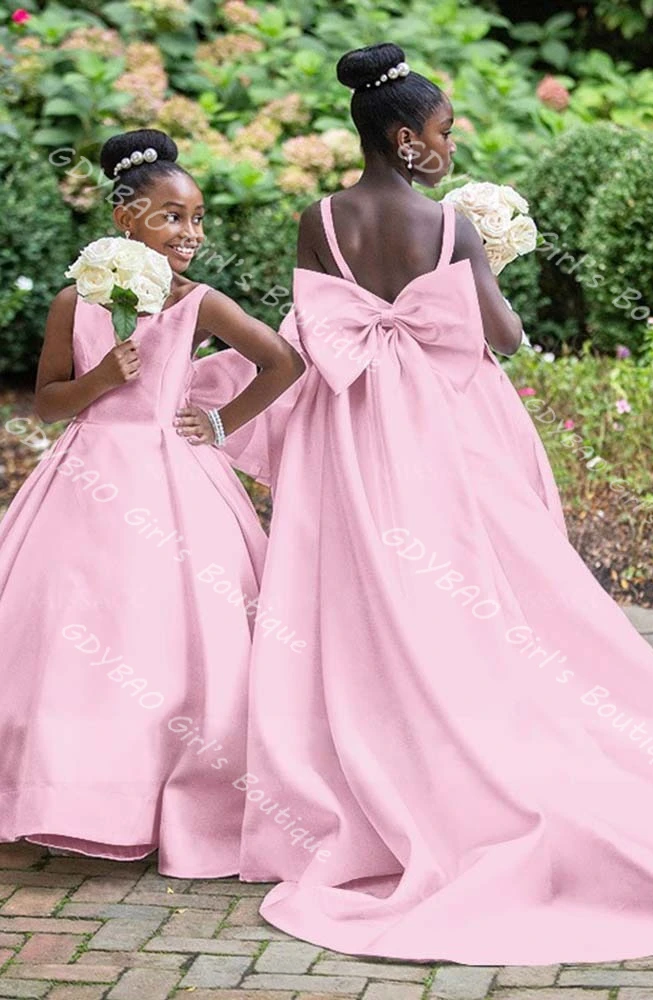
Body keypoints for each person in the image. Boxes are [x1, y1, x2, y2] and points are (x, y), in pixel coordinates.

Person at [236, 43, 653, 965]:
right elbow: (502, 338)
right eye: (442, 131)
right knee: (463, 567)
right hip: (434, 427)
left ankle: (362, 747)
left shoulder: (318, 217)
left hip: (347, 426)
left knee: (354, 578)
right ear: (406, 138)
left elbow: (315, 317)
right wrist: (486, 264)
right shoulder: (447, 226)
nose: (450, 143)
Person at [0, 128, 305, 878]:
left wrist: (225, 421)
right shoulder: (76, 300)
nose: (191, 233)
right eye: (173, 217)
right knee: (71, 628)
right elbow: (46, 404)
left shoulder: (198, 302)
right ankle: (60, 790)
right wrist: (102, 377)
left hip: (175, 480)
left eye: (198, 218)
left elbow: (282, 360)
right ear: (125, 217)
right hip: (85, 479)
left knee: (175, 632)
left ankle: (177, 788)